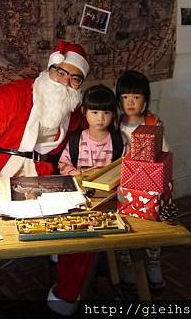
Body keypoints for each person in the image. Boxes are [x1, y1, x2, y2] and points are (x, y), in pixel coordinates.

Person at [0, 40, 92, 319]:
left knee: (84, 230)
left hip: (46, 183)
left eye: (75, 78)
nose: (66, 82)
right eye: (61, 73)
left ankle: (65, 296)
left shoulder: (76, 112)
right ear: (49, 69)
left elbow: (86, 145)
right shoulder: (13, 94)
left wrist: (76, 168)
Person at [115, 70, 168, 289]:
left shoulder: (152, 121)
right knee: (121, 223)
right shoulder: (115, 123)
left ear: (145, 98)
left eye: (136, 97)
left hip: (149, 184)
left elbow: (164, 151)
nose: (130, 102)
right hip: (122, 182)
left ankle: (153, 262)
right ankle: (125, 264)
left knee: (152, 223)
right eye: (125, 97)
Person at [58, 84, 126, 177]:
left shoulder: (119, 140)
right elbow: (63, 164)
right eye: (95, 112)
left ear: (113, 114)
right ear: (84, 111)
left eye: (106, 112)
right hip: (82, 188)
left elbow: (128, 166)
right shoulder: (76, 140)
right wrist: (76, 173)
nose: (100, 118)